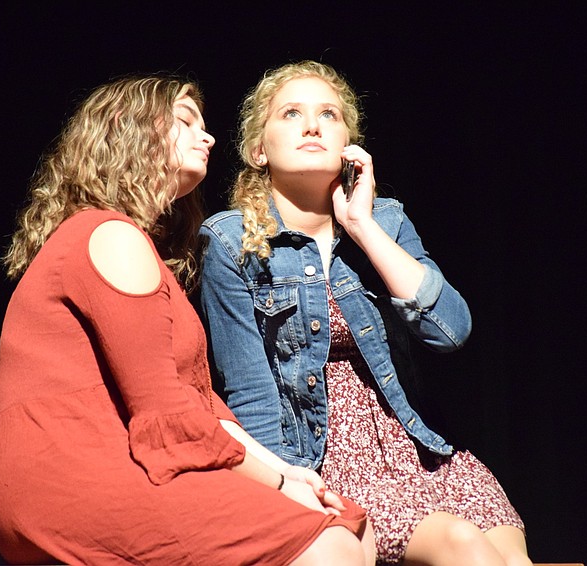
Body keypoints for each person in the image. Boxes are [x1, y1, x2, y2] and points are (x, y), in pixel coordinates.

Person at [0, 74, 375, 565]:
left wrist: (288, 472)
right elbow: (167, 412)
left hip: (101, 467)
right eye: (185, 121)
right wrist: (275, 483)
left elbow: (201, 404)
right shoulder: (108, 234)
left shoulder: (131, 242)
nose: (208, 136)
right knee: (328, 544)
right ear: (130, 132)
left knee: (352, 526)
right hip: (73, 476)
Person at [199, 61, 533, 566]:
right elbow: (249, 392)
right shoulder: (229, 241)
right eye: (292, 113)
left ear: (350, 147)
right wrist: (287, 488)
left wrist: (363, 227)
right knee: (460, 544)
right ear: (258, 150)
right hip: (321, 455)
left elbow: (452, 331)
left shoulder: (387, 220)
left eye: (328, 114)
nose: (312, 125)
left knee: (509, 558)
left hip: (420, 447)